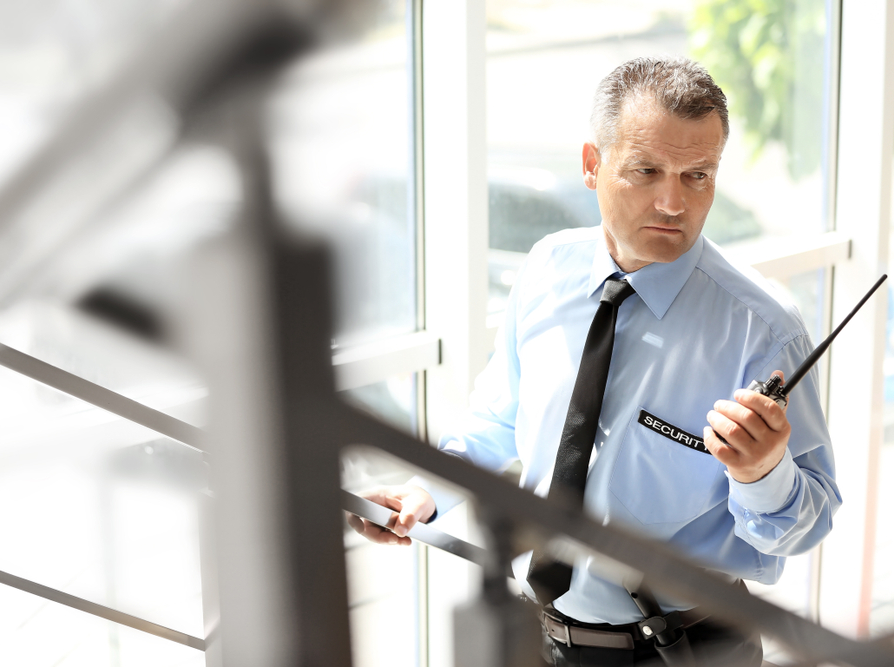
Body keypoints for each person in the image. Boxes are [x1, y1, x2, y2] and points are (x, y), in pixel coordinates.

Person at [347, 56, 841, 666]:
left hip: (689, 650)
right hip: (542, 638)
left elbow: (808, 526)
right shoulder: (548, 268)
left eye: (698, 175)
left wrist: (762, 473)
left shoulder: (764, 330)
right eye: (646, 170)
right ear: (591, 165)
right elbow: (500, 419)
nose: (673, 202)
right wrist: (426, 493)